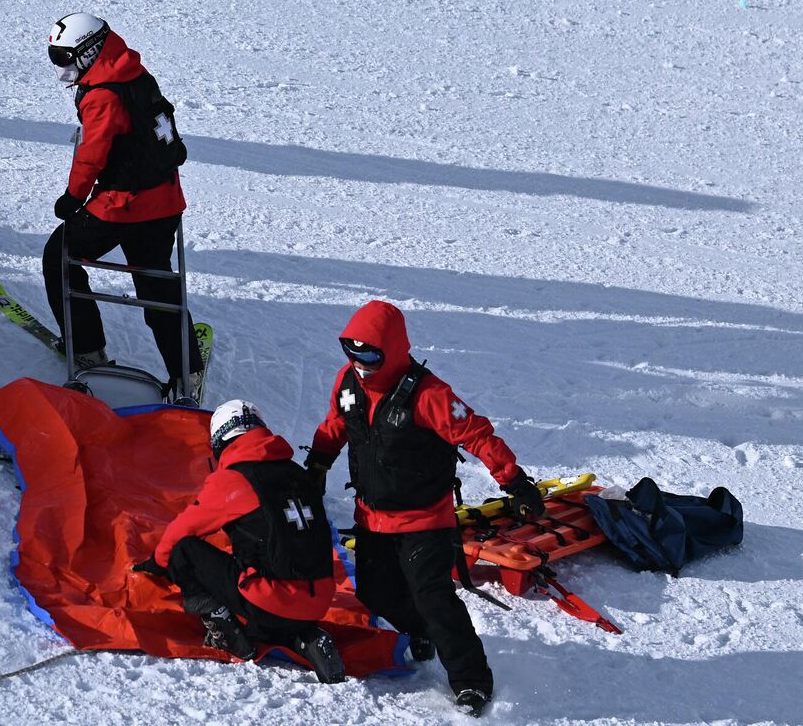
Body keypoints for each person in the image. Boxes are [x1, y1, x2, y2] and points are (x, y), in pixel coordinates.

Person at [304, 300, 546, 718]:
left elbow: (476, 434)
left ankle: (471, 681)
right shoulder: (348, 383)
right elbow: (337, 424)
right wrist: (319, 462)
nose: (359, 363)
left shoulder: (429, 395)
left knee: (434, 597)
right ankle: (419, 630)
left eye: (370, 354)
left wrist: (515, 482)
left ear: (392, 350)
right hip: (371, 515)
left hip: (424, 519)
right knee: (374, 591)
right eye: (352, 351)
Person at [40, 12, 201, 398]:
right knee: (155, 282)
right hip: (166, 203)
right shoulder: (136, 74)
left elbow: (91, 157)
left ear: (88, 51)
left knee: (58, 256)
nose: (59, 68)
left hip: (124, 207)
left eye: (63, 58)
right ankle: (187, 371)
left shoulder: (103, 96)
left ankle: (87, 349)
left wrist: (73, 199)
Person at [136, 400, 346, 684]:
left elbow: (181, 532)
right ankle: (303, 636)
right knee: (272, 578)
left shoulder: (235, 478)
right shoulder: (298, 474)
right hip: (318, 600)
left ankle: (226, 628)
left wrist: (158, 564)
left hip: (270, 601)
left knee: (183, 552)